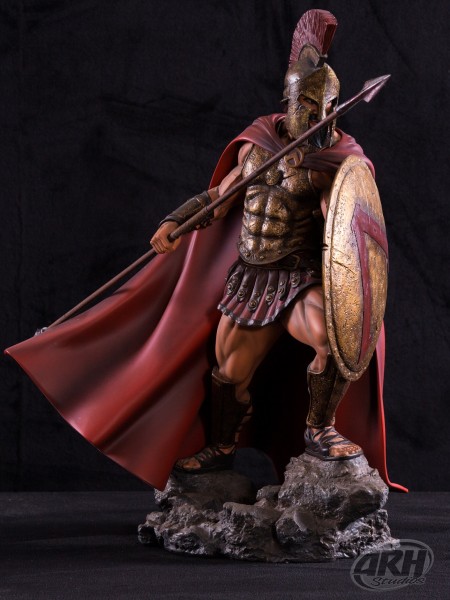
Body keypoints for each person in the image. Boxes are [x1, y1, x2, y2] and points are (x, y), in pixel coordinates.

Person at [150, 10, 368, 473]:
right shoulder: (258, 144)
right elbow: (220, 198)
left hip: (298, 276)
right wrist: (176, 221)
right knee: (228, 372)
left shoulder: (336, 161)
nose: (320, 116)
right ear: (289, 101)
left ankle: (319, 427)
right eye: (309, 105)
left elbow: (347, 224)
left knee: (333, 337)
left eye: (328, 107)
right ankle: (221, 449)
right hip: (251, 275)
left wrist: (333, 205)